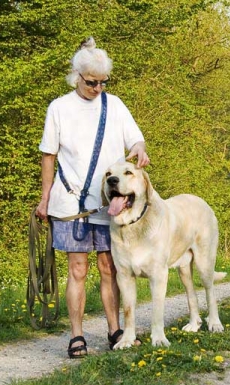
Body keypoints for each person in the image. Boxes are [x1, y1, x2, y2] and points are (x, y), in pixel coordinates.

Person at [36, 37, 149, 358]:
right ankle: (77, 336)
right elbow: (48, 156)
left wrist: (139, 147)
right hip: (71, 203)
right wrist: (45, 199)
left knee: (110, 267)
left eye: (103, 82)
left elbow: (135, 138)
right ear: (76, 76)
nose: (98, 88)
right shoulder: (58, 108)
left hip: (108, 204)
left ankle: (115, 330)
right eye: (91, 82)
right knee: (77, 269)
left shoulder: (114, 105)